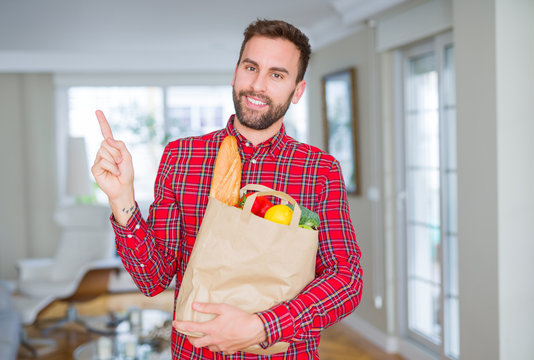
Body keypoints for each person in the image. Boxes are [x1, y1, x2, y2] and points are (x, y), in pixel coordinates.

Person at [91, 19, 363, 359]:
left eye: (277, 75)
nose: (258, 85)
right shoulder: (182, 157)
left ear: (297, 91)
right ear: (236, 72)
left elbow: (346, 280)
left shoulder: (319, 171)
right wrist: (122, 198)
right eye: (251, 68)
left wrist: (265, 326)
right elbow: (152, 279)